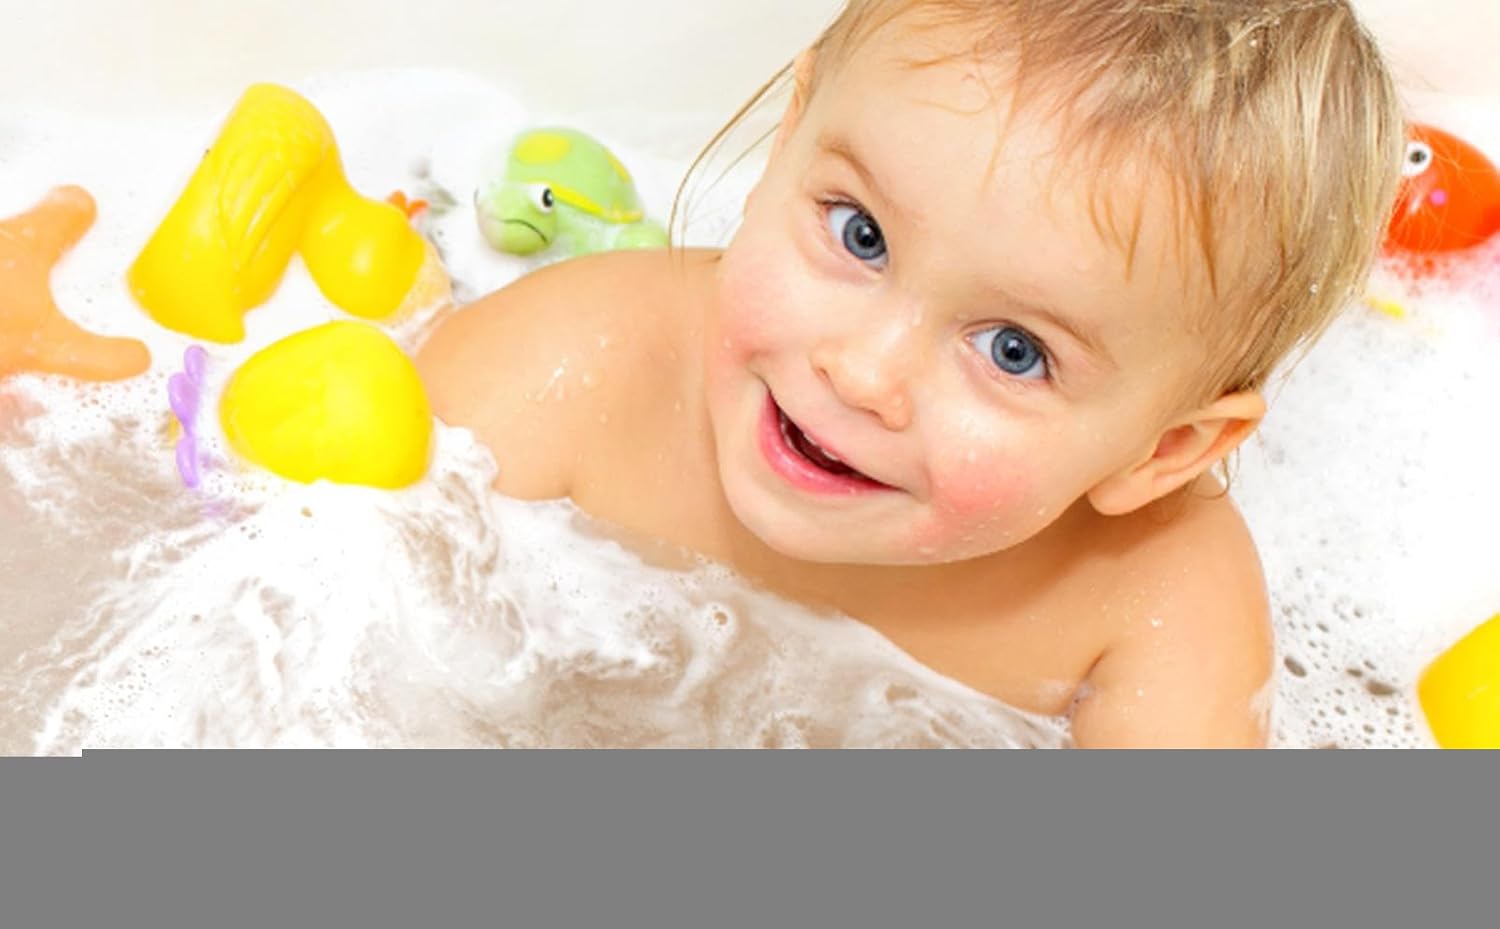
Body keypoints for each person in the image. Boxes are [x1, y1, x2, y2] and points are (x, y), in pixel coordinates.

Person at [416, 0, 1405, 746]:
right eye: (861, 234)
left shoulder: (1154, 603)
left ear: (1164, 451)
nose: (862, 373)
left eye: (1014, 350)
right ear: (789, 140)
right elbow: (352, 619)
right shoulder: (574, 368)